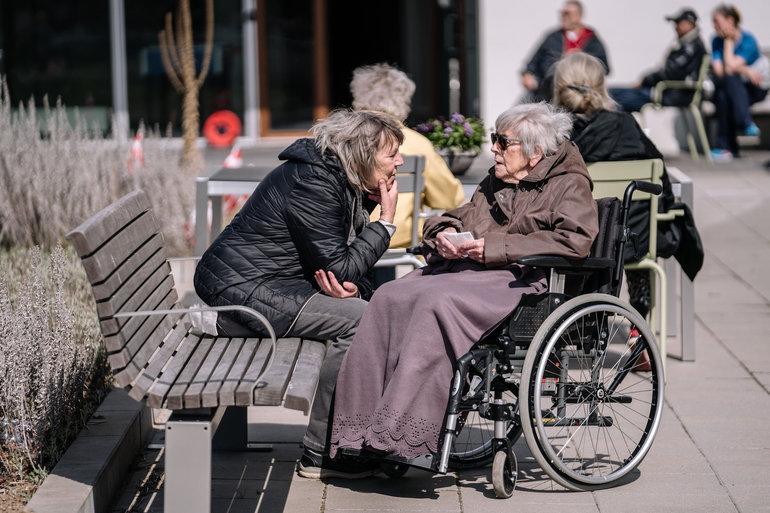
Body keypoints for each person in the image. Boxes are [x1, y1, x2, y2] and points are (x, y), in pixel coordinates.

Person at [328, 102, 599, 460]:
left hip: (522, 280)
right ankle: (358, 429)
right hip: (471, 273)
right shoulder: (496, 180)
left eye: (503, 142)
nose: (494, 149)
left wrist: (496, 247)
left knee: (434, 305)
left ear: (534, 152)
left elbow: (574, 241)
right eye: (494, 139)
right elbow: (458, 215)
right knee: (388, 295)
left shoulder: (569, 184)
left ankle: (400, 435)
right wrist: (444, 233)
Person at [193, 109, 403, 479]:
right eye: (391, 153)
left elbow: (340, 266)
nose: (400, 160)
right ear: (361, 154)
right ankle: (322, 452)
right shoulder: (315, 183)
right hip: (245, 286)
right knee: (358, 320)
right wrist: (385, 221)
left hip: (269, 281)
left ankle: (230, 323)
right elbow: (340, 268)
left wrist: (352, 282)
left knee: (362, 306)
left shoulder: (333, 177)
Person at [553, 52, 703, 324]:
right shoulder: (627, 124)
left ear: (559, 86)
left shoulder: (556, 136)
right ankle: (638, 324)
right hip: (634, 242)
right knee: (631, 223)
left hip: (577, 243)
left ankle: (564, 324)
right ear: (600, 86)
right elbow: (660, 177)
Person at [350, 63, 465, 249]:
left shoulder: (345, 139)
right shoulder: (416, 143)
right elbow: (449, 198)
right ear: (403, 100)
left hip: (350, 239)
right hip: (399, 238)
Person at [609, 8, 707, 113]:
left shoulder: (691, 46)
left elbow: (671, 72)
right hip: (667, 92)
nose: (675, 27)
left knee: (614, 97)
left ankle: (618, 128)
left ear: (689, 24)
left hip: (672, 94)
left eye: (678, 22)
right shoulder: (687, 44)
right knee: (612, 93)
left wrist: (645, 80)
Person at [709, 4, 768, 161]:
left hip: (755, 89)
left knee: (727, 90)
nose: (714, 25)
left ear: (730, 20)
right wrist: (747, 70)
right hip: (733, 89)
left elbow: (729, 68)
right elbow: (720, 71)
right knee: (724, 94)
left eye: (716, 21)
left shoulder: (748, 40)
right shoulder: (716, 41)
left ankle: (726, 147)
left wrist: (728, 43)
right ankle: (745, 123)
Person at [521, 0, 610, 102]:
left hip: (581, 96)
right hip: (547, 93)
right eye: (562, 13)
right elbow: (532, 63)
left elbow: (605, 68)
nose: (563, 16)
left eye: (567, 13)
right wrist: (527, 75)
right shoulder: (552, 37)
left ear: (579, 16)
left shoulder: (591, 40)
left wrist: (581, 59)